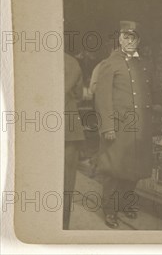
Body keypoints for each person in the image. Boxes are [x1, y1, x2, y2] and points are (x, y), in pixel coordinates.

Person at [95, 21, 154, 229]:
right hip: (118, 128)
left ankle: (125, 203)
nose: (130, 42)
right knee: (113, 170)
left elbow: (148, 94)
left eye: (134, 38)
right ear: (119, 39)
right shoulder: (110, 63)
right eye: (126, 38)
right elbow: (102, 98)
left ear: (139, 41)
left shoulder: (141, 63)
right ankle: (110, 210)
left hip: (138, 127)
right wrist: (107, 127)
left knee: (134, 169)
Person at [64, 52, 85, 229]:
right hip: (69, 128)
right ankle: (63, 226)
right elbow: (79, 94)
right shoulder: (71, 62)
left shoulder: (31, 59)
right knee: (66, 181)